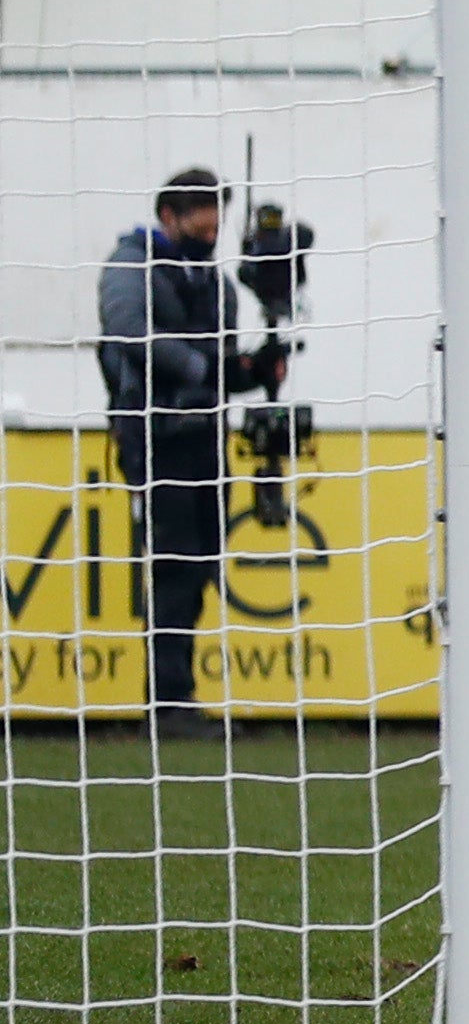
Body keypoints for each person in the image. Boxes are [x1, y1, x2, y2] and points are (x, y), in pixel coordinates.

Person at [94, 167, 286, 740]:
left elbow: (219, 372)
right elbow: (127, 330)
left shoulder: (218, 285)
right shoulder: (132, 264)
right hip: (155, 439)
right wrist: (209, 369)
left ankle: (176, 698)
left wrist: (253, 371)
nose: (210, 230)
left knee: (199, 564)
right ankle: (167, 704)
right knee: (175, 563)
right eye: (199, 217)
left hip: (204, 438)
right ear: (168, 216)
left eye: (215, 218)